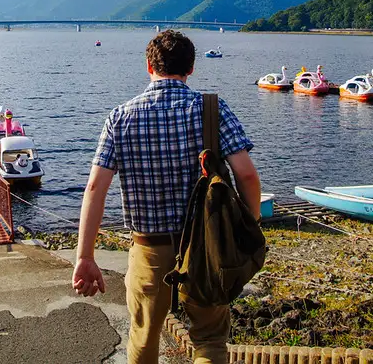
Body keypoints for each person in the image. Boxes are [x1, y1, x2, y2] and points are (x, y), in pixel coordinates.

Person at [72, 30, 261, 364]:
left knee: (143, 338)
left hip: (148, 251)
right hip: (207, 250)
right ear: (190, 69)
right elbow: (246, 173)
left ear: (149, 66)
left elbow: (94, 189)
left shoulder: (120, 117)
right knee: (210, 340)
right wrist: (250, 227)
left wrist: (85, 256)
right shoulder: (210, 110)